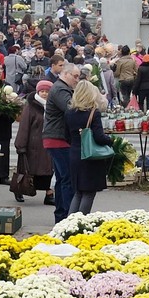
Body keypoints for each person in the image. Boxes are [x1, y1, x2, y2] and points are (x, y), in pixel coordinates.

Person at [64, 80, 114, 216]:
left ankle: (69, 224)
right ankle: (81, 223)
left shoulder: (69, 113)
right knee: (89, 193)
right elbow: (99, 137)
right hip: (90, 157)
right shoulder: (93, 113)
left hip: (74, 154)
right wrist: (111, 141)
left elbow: (66, 136)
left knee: (78, 192)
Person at [45, 62, 81, 222]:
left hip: (57, 138)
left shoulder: (62, 88)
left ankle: (61, 216)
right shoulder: (60, 89)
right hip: (58, 138)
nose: (77, 80)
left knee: (62, 179)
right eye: (75, 76)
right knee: (68, 179)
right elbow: (70, 108)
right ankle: (67, 216)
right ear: (65, 74)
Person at [13, 80, 55, 205]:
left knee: (48, 170)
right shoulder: (31, 107)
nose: (45, 94)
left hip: (48, 144)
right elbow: (24, 126)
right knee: (27, 170)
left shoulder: (53, 106)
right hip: (33, 146)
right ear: (37, 91)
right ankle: (19, 189)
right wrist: (21, 145)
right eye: (42, 91)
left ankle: (49, 194)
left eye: (47, 91)